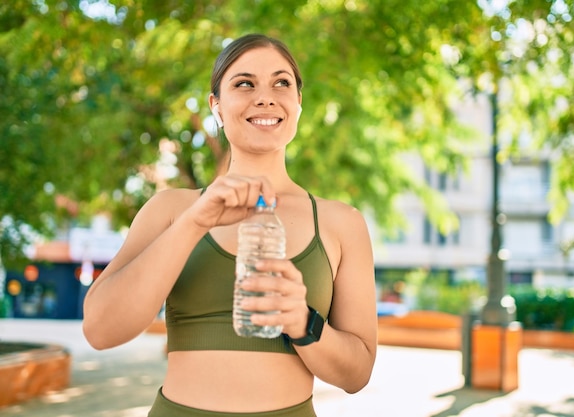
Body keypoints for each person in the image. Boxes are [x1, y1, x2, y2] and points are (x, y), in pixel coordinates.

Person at [82, 33, 377, 417]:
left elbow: (357, 374)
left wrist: (303, 322)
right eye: (244, 83)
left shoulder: (342, 223)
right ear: (216, 107)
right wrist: (194, 223)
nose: (265, 97)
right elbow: (100, 331)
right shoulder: (173, 209)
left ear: (298, 104)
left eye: (281, 82)